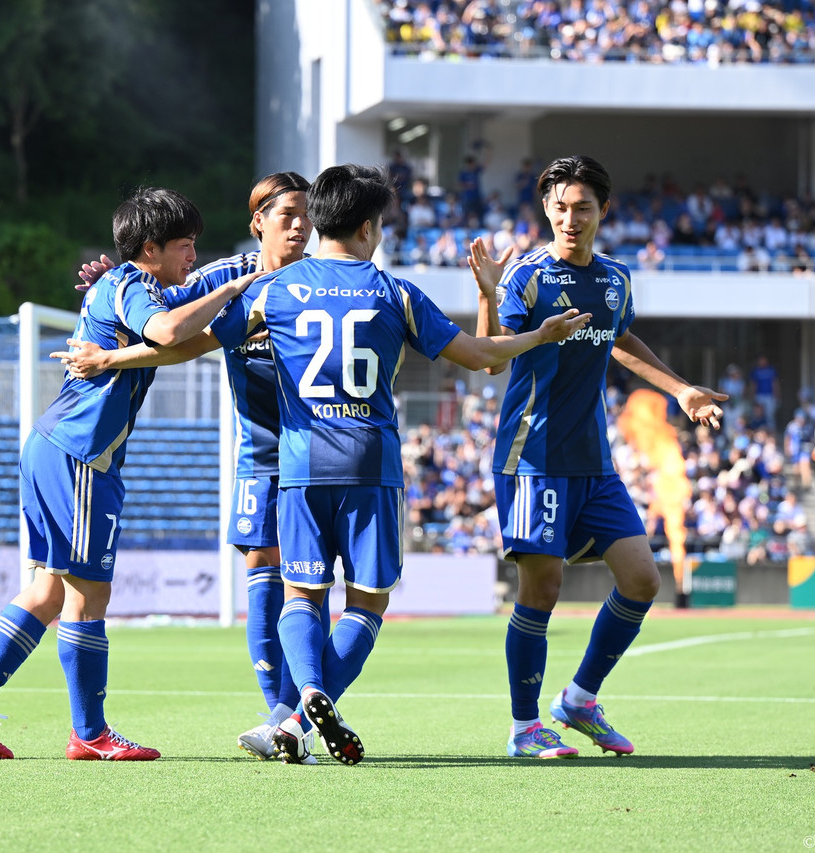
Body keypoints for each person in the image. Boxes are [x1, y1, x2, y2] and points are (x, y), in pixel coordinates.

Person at [206, 163, 590, 765]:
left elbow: (196, 337)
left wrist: (118, 354)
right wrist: (539, 337)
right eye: (380, 223)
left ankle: (298, 702)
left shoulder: (272, 289)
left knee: (302, 595)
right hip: (371, 466)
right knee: (367, 603)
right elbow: (480, 354)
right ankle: (307, 707)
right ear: (365, 227)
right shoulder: (394, 291)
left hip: (301, 463)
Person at [0, 187, 262, 761]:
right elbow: (166, 333)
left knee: (45, 591)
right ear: (150, 247)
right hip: (83, 456)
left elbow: (175, 334)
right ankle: (89, 733)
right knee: (89, 594)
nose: (193, 256)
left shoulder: (123, 283)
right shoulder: (133, 286)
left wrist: (227, 305)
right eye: (185, 246)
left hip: (51, 445)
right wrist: (238, 287)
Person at [60, 172, 330, 764]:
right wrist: (113, 282)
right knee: (263, 563)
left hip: (320, 453)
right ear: (257, 220)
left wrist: (110, 356)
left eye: (307, 213)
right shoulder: (222, 278)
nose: (300, 223)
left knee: (308, 577)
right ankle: (277, 716)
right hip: (260, 450)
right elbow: (170, 328)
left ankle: (294, 712)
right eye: (287, 212)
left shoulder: (326, 279)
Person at [470, 154, 726, 759]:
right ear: (545, 210)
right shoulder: (527, 278)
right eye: (559, 206)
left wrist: (681, 388)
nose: (570, 217)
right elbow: (489, 357)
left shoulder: (615, 279)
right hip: (531, 458)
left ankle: (580, 699)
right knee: (543, 588)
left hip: (594, 461)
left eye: (582, 206)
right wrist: (486, 296)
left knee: (642, 579)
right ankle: (524, 726)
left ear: (602, 211)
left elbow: (619, 337)